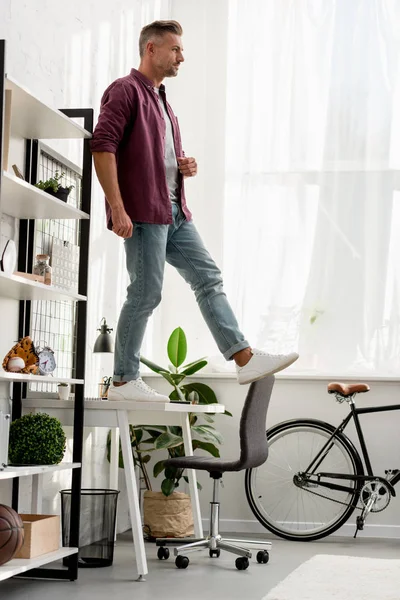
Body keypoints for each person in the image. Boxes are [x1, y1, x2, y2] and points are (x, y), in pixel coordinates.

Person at [90, 20, 298, 403]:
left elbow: (155, 157)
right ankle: (122, 381)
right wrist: (117, 208)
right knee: (146, 292)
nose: (181, 56)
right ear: (150, 49)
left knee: (207, 278)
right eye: (175, 49)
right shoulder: (125, 90)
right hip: (143, 213)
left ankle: (243, 357)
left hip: (174, 211)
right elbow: (103, 147)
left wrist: (183, 166)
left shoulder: (163, 101)